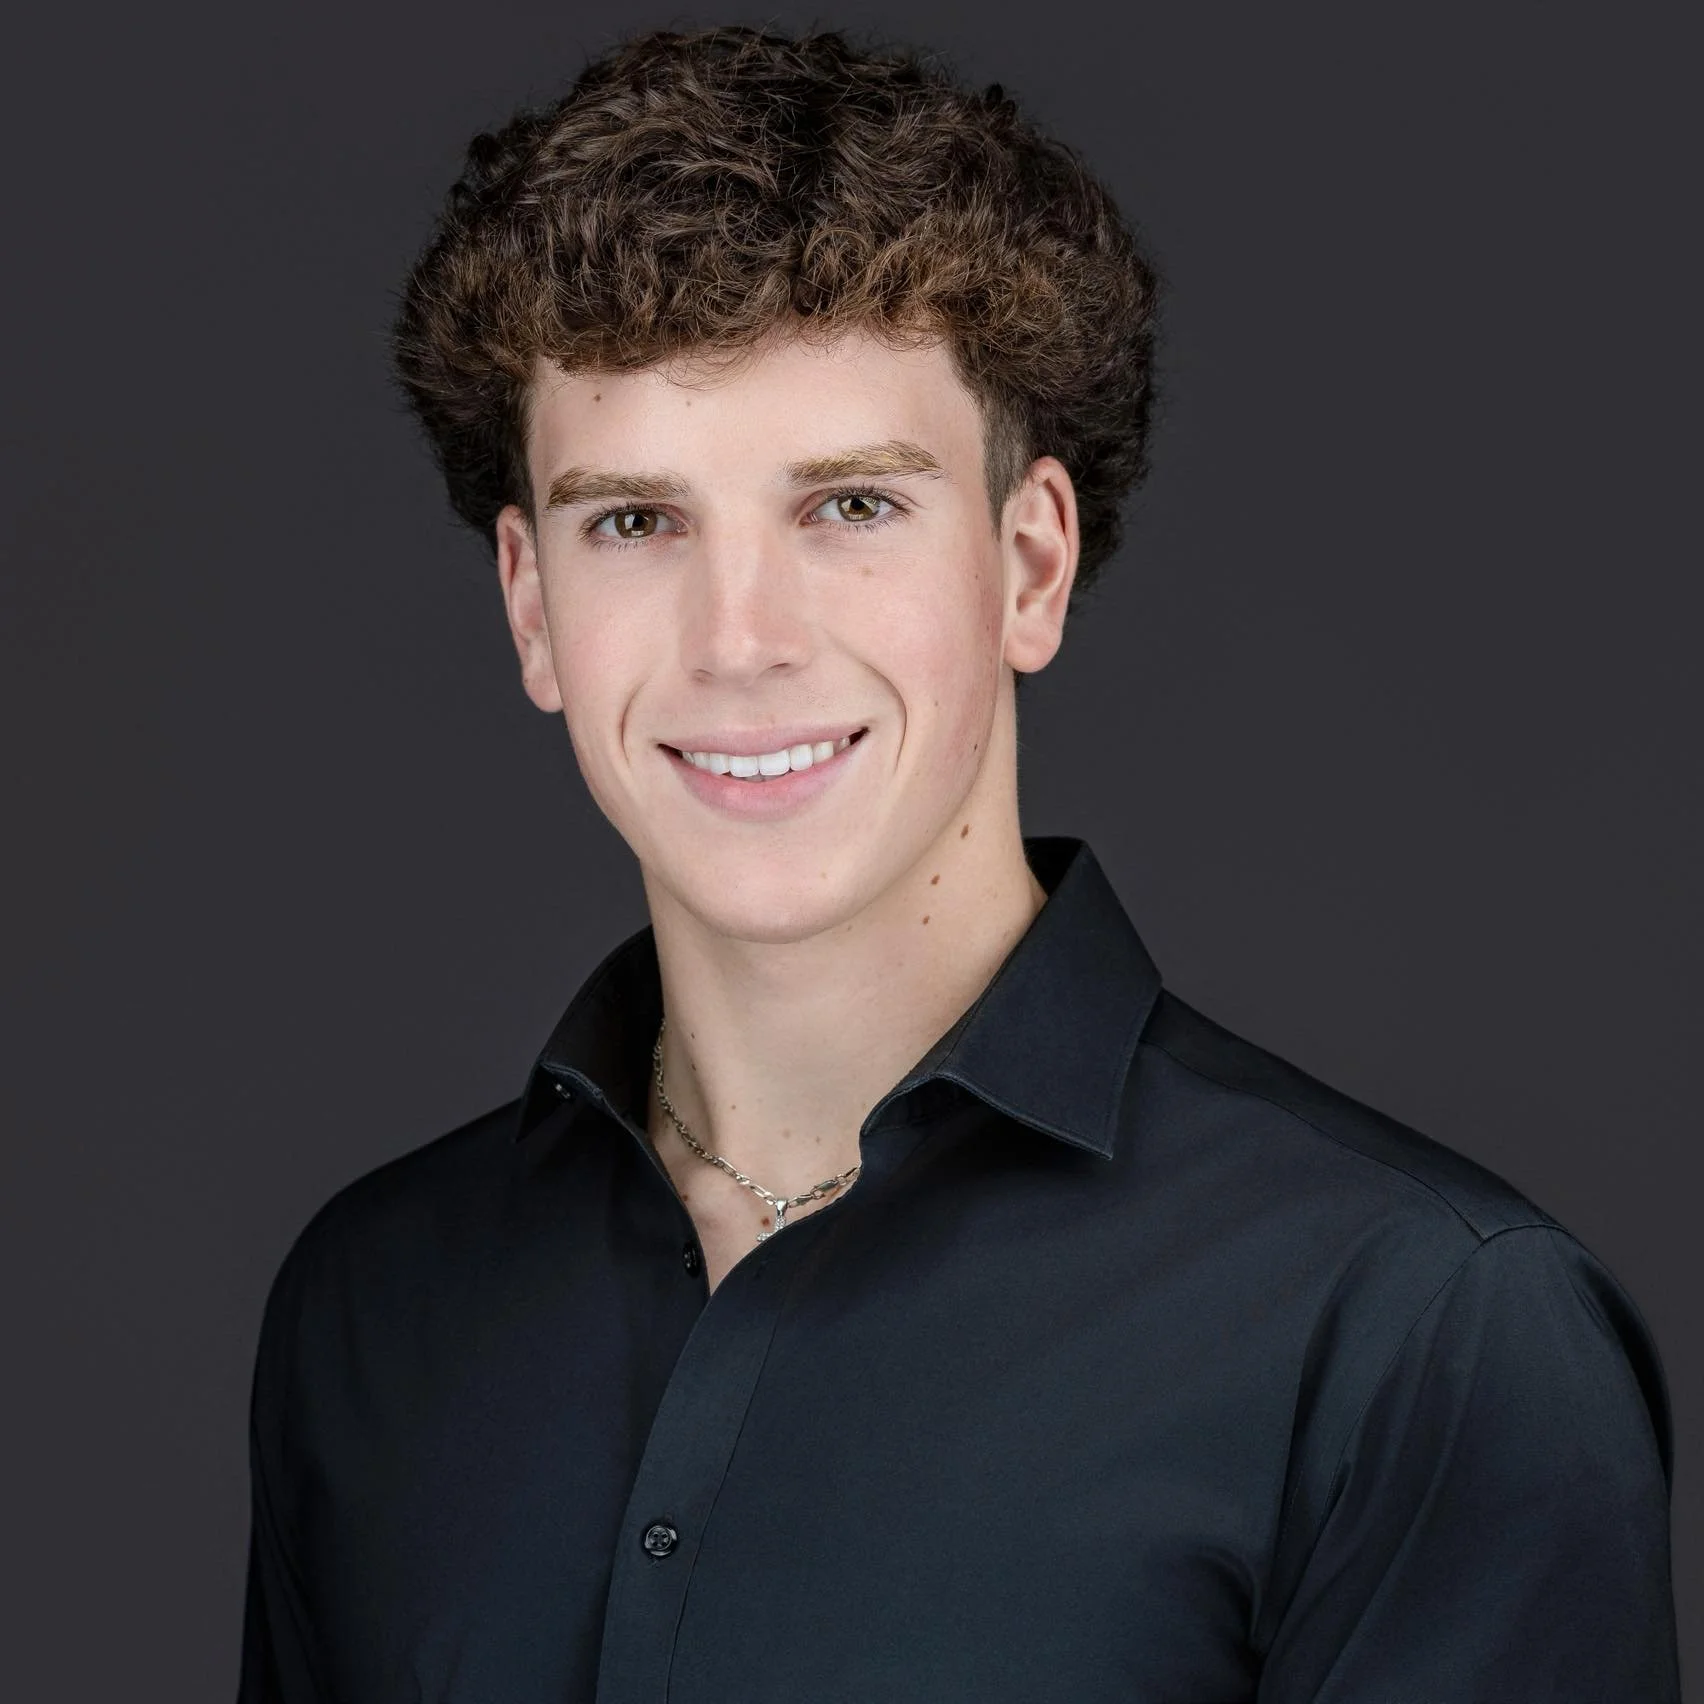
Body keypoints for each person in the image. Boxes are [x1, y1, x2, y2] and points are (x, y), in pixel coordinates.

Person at [237, 24, 1680, 1702]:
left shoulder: (1422, 1336)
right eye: (637, 521)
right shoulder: (372, 1307)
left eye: (849, 506)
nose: (739, 641)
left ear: (1030, 565)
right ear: (530, 603)